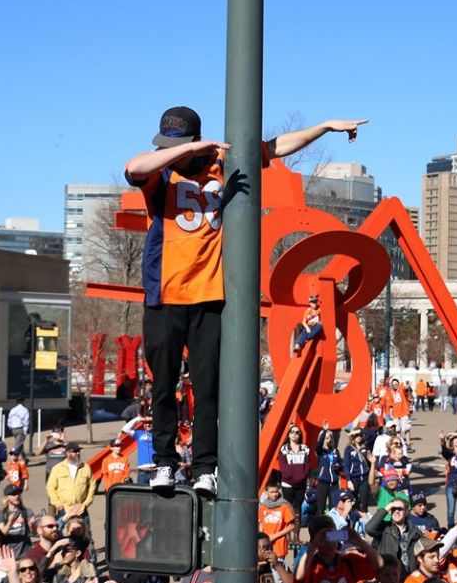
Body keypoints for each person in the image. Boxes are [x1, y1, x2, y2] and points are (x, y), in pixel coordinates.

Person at [125, 106, 366, 497]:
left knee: (207, 387)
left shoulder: (224, 161)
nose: (174, 152)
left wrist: (325, 127)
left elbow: (276, 146)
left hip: (209, 295)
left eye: (179, 145)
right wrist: (183, 150)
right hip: (165, 294)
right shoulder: (161, 174)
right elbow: (135, 167)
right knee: (164, 383)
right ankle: (165, 463)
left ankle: (205, 467)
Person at [47, 444, 95, 523]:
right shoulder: (58, 468)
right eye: (75, 452)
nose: (78, 454)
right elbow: (50, 487)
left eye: (78, 451)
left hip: (81, 511)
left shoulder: (86, 468)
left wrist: (85, 504)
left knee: (85, 534)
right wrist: (59, 505)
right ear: (67, 453)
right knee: (63, 534)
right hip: (64, 511)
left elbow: (92, 486)